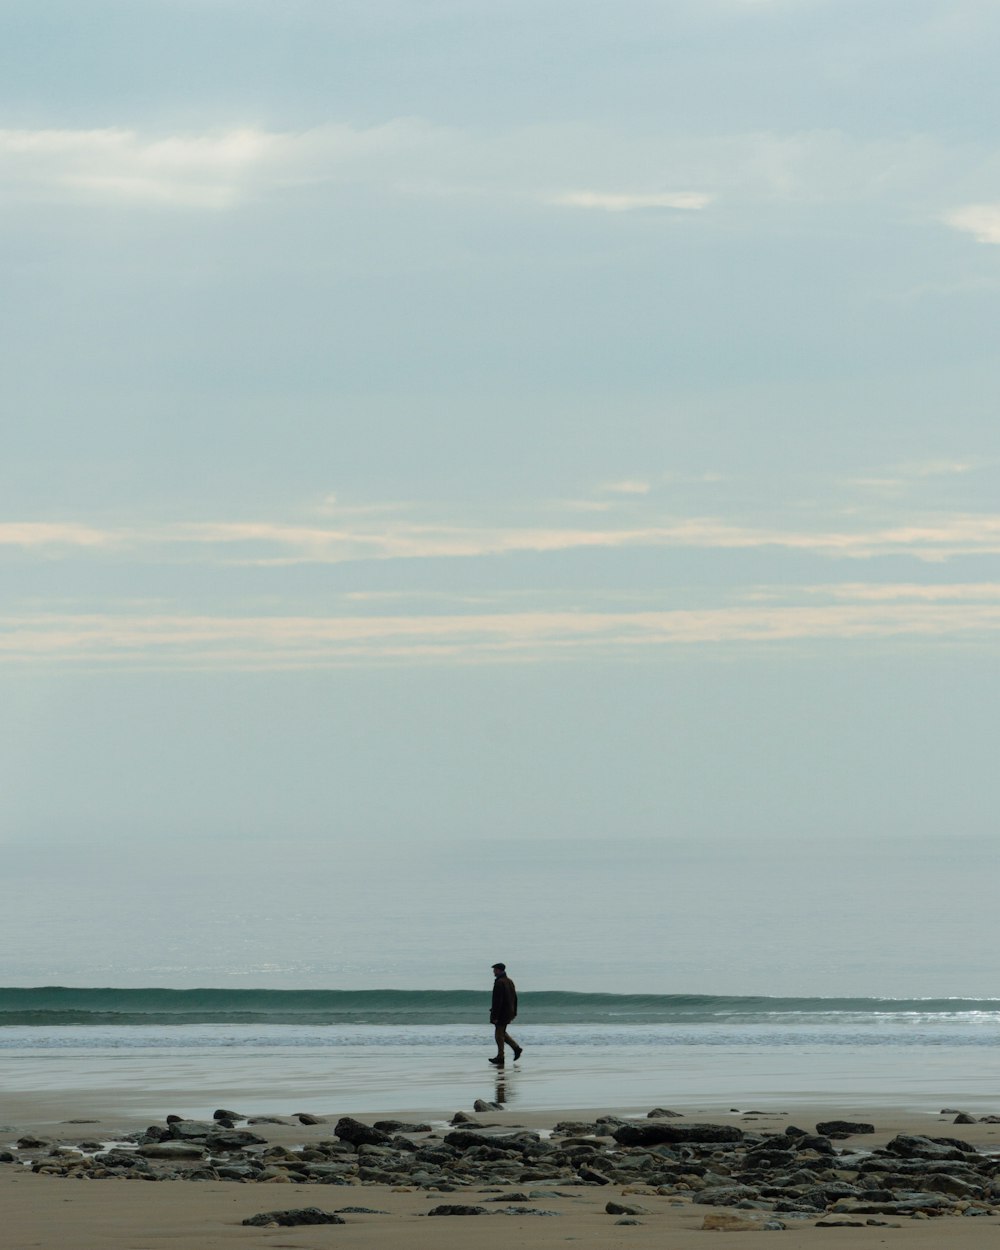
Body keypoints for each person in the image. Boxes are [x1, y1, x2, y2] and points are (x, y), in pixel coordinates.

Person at [489, 962, 522, 1065]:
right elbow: (515, 998)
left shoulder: (500, 982)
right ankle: (516, 1048)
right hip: (508, 1012)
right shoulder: (509, 981)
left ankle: (501, 1056)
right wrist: (514, 1012)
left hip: (502, 1013)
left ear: (499, 970)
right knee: (502, 1033)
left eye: (495, 969)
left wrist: (494, 1016)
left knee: (499, 1035)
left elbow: (497, 1001)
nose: (493, 971)